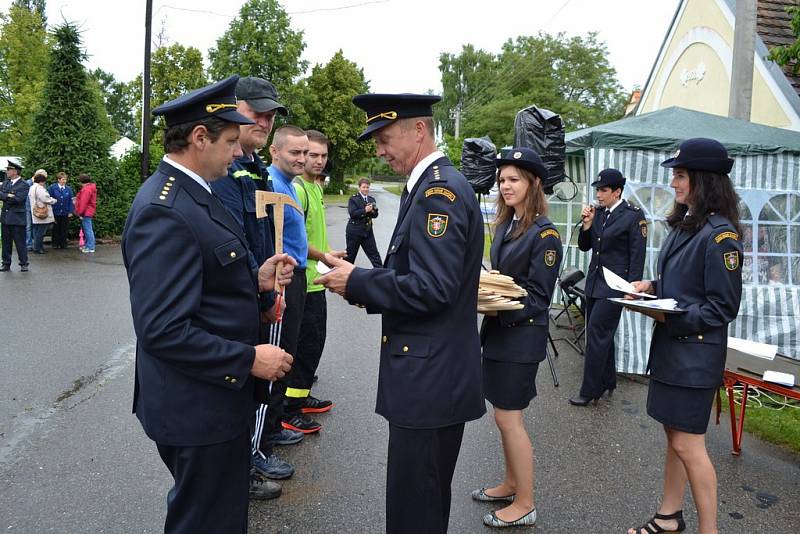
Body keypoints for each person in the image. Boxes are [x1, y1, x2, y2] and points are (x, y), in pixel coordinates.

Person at [121, 75, 296, 533]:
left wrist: (256, 282)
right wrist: (249, 358)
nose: (238, 152)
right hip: (197, 408)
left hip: (215, 401)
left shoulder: (198, 194)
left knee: (221, 515)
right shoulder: (165, 209)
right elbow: (161, 328)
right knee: (205, 522)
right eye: (231, 142)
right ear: (200, 137)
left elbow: (207, 281)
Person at [316, 93, 485, 534]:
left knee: (417, 506)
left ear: (418, 130)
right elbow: (416, 276)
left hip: (429, 379)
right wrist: (362, 287)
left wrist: (356, 281)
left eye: (385, 138)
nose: (379, 150)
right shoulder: (428, 187)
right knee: (419, 498)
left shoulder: (438, 193)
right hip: (430, 374)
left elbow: (433, 288)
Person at [627, 138, 743, 534]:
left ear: (703, 180)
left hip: (694, 358)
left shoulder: (720, 236)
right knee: (674, 440)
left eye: (680, 175)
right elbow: (686, 283)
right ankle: (668, 516)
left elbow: (722, 307)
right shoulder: (687, 223)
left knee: (688, 446)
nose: (673, 183)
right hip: (673, 353)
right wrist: (651, 287)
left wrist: (669, 317)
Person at [209, 75, 300, 492]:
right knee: (243, 380)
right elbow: (233, 245)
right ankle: (243, 462)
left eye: (269, 115)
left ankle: (249, 452)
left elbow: (262, 236)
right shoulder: (224, 173)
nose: (264, 121)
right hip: (238, 299)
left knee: (255, 384)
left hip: (258, 293)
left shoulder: (254, 168)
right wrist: (261, 288)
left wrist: (271, 282)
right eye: (255, 112)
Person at [473, 148, 562, 529]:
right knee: (502, 417)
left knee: (511, 420)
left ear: (533, 184)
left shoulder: (545, 234)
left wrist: (493, 302)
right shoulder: (508, 225)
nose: (505, 186)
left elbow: (538, 299)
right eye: (502, 180)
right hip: (498, 332)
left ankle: (525, 503)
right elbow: (505, 276)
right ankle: (510, 483)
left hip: (521, 337)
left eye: (514, 180)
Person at [569, 168, 647, 406]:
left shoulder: (633, 215)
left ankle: (590, 390)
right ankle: (608, 380)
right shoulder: (599, 213)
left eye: (603, 190)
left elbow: (637, 254)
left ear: (617, 191)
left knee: (595, 335)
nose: (599, 195)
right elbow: (585, 246)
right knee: (602, 334)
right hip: (594, 283)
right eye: (597, 190)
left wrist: (631, 288)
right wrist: (587, 224)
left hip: (615, 286)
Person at [285, 129, 346, 425]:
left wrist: (331, 252)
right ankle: (289, 411)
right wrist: (324, 257)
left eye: (323, 155)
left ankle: (301, 396)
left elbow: (312, 235)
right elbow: (293, 241)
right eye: (313, 155)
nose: (319, 161)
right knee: (304, 345)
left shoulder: (316, 188)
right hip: (303, 282)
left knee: (313, 342)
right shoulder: (297, 189)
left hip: (316, 280)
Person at [266, 125, 317, 435]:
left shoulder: (290, 185)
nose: (302, 159)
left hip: (296, 276)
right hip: (281, 279)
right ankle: (269, 431)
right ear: (275, 151)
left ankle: (274, 424)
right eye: (294, 152)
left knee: (288, 350)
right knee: (279, 352)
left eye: (305, 153)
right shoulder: (272, 184)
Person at [345, 178, 382, 267]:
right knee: (350, 256)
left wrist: (372, 211)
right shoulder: (354, 199)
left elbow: (375, 215)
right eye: (364, 187)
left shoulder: (371, 199)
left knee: (375, 255)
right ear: (359, 188)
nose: (366, 189)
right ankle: (343, 274)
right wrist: (365, 210)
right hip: (354, 231)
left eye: (367, 187)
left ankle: (381, 274)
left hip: (367, 231)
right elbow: (353, 214)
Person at [0, 161, 30, 272]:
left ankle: (23, 263)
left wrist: (5, 196)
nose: (7, 171)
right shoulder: (6, 183)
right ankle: (6, 263)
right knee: (6, 242)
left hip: (17, 218)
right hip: (6, 218)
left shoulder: (23, 184)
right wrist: (8, 195)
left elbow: (18, 199)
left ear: (15, 171)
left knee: (20, 242)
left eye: (9, 169)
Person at [28, 170, 57, 254]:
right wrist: (54, 200)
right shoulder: (40, 188)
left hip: (35, 212)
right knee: (41, 232)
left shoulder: (32, 187)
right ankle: (38, 248)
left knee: (37, 231)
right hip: (42, 212)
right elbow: (46, 199)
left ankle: (37, 247)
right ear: (41, 181)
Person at [48, 171, 75, 249]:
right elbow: (49, 199)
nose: (64, 181)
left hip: (65, 212)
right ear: (58, 180)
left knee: (64, 228)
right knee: (56, 229)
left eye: (65, 179)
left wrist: (70, 211)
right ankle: (55, 244)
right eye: (63, 179)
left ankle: (63, 243)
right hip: (55, 211)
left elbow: (71, 200)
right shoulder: (52, 188)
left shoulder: (68, 189)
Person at [74, 174, 96, 253]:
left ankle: (90, 247)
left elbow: (84, 202)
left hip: (86, 212)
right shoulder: (90, 188)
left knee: (88, 230)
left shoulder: (86, 189)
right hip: (88, 211)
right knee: (87, 229)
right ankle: (88, 245)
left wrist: (80, 213)